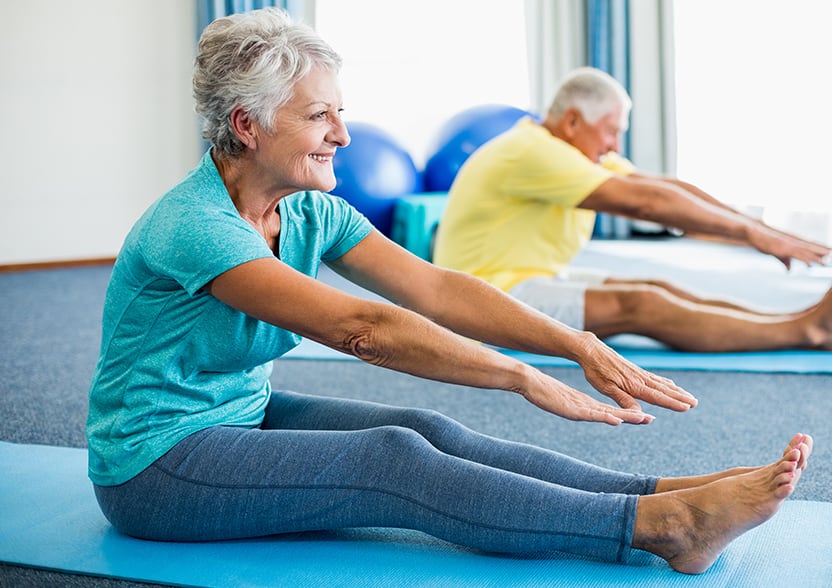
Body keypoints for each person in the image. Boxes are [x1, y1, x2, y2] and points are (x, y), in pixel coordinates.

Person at [86, 9, 812, 576]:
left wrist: (573, 343)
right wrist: (519, 374)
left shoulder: (310, 209)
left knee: (428, 428)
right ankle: (666, 531)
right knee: (389, 459)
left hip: (239, 416)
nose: (343, 134)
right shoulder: (196, 227)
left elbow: (432, 286)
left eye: (341, 111)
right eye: (319, 116)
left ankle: (658, 494)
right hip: (157, 465)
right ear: (246, 124)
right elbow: (363, 329)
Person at [432, 66, 832, 353]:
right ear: (572, 121)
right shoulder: (532, 152)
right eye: (611, 131)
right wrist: (752, 235)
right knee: (642, 305)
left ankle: (797, 321)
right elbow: (649, 204)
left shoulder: (570, 152)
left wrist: (758, 226)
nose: (615, 147)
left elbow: (663, 188)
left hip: (526, 277)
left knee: (660, 288)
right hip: (483, 299)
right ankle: (806, 331)